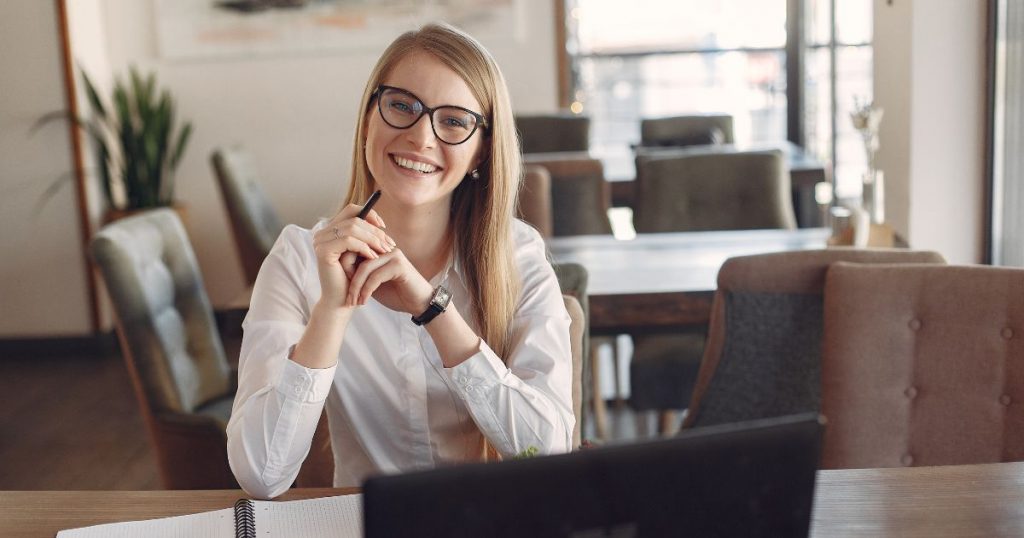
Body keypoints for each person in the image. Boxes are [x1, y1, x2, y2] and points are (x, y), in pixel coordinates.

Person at [226, 22, 574, 499]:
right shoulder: (299, 259)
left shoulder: (519, 256)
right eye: (402, 106)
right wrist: (333, 310)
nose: (420, 136)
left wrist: (434, 310)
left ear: (481, 152)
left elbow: (548, 455)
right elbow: (261, 476)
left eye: (453, 121)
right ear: (369, 117)